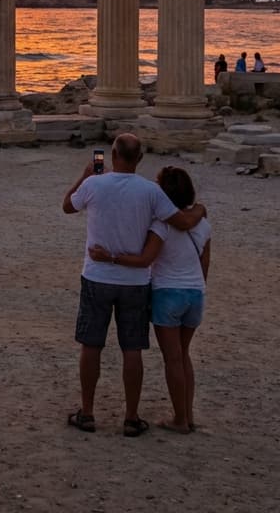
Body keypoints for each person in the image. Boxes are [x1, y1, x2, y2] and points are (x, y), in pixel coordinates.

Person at [61, 133, 205, 437]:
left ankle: (87, 412)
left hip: (97, 276)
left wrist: (85, 176)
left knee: (91, 345)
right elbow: (179, 221)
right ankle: (131, 416)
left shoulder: (94, 184)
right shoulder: (151, 191)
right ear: (139, 159)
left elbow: (67, 207)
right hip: (136, 281)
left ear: (113, 155)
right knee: (132, 348)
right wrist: (199, 210)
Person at [88, 165, 211, 434]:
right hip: (195, 293)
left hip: (168, 293)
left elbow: (145, 260)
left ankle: (179, 419)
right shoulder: (203, 224)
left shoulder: (161, 225)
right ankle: (187, 415)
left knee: (173, 359)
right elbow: (204, 266)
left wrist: (109, 257)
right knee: (185, 355)